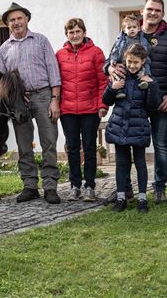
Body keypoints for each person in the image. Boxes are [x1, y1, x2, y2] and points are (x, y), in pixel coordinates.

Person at [107, 0, 167, 204]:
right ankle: (126, 189)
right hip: (131, 99)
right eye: (150, 9)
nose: (153, 13)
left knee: (160, 143)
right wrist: (110, 67)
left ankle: (159, 188)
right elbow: (111, 58)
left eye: (157, 10)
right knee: (125, 142)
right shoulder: (128, 32)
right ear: (142, 11)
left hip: (159, 98)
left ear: (163, 14)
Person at [0, 2, 62, 204]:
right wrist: (13, 97)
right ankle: (30, 186)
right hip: (19, 102)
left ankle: (50, 186)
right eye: (12, 20)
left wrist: (54, 100)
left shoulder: (41, 41)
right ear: (8, 24)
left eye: (19, 18)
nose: (16, 23)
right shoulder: (5, 48)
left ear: (27, 19)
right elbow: (0, 79)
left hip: (43, 96)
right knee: (24, 145)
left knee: (49, 142)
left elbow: (54, 71)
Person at [103, 43, 160, 213]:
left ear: (143, 61)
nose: (132, 65)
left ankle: (142, 198)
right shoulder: (119, 77)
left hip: (139, 127)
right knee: (121, 164)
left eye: (136, 62)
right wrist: (112, 89)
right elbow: (106, 101)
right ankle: (121, 197)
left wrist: (152, 86)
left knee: (140, 163)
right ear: (125, 60)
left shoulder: (147, 79)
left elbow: (153, 106)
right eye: (129, 62)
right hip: (120, 126)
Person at [56, 18, 108, 202]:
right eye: (71, 32)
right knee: (72, 148)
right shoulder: (60, 55)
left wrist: (103, 105)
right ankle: (75, 186)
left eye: (78, 31)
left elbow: (103, 81)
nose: (75, 35)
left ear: (84, 33)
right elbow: (57, 82)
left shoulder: (96, 52)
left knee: (89, 147)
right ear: (67, 35)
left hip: (90, 109)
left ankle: (90, 186)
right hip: (68, 109)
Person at [108, 14, 153, 98]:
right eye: (129, 28)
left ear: (139, 28)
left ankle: (143, 82)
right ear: (124, 30)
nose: (132, 29)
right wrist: (113, 59)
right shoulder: (121, 41)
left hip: (138, 63)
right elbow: (115, 50)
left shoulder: (142, 40)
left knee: (144, 70)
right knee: (119, 75)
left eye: (134, 27)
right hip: (124, 63)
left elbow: (147, 50)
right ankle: (119, 90)